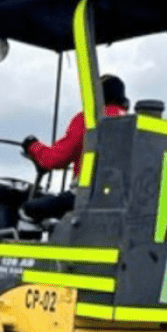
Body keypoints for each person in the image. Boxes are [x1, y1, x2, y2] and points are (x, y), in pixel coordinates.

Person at [20, 74, 129, 222]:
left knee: (26, 209)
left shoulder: (90, 119)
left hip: (85, 198)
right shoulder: (132, 123)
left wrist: (32, 145)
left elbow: (55, 159)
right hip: (121, 202)